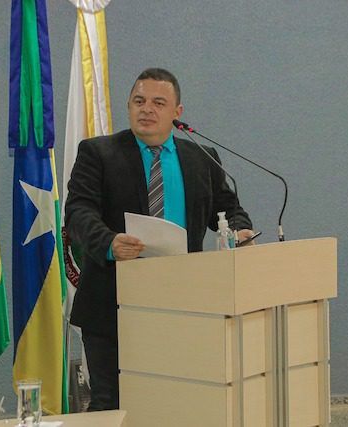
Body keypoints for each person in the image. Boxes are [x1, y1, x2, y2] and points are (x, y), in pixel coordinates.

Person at [64, 68, 254, 411]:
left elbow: (229, 209)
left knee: (178, 402)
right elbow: (78, 212)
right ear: (128, 106)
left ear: (177, 112)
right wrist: (109, 243)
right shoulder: (99, 153)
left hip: (185, 305)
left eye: (158, 102)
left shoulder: (201, 158)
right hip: (113, 304)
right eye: (139, 101)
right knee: (113, 405)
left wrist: (240, 231)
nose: (147, 109)